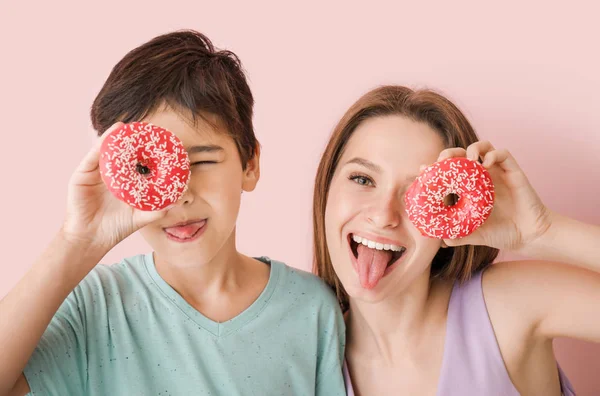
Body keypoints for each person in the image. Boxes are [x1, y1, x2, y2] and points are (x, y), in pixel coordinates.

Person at [0, 30, 346, 396]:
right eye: (147, 170)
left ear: (250, 164)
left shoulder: (312, 310)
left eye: (203, 160)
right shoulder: (95, 304)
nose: (177, 197)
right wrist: (75, 241)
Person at [313, 85, 599, 395]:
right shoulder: (304, 363)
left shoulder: (504, 309)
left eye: (417, 192)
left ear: (451, 212)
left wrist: (543, 231)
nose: (384, 215)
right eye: (363, 179)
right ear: (328, 186)